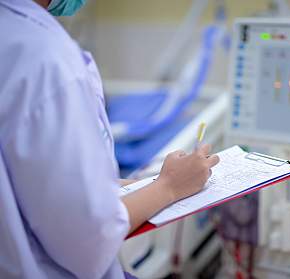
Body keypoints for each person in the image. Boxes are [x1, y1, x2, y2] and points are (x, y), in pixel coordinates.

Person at [0, 0, 220, 278]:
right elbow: (88, 237)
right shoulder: (44, 58)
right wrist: (168, 187)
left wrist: (141, 184)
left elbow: (26, 179)